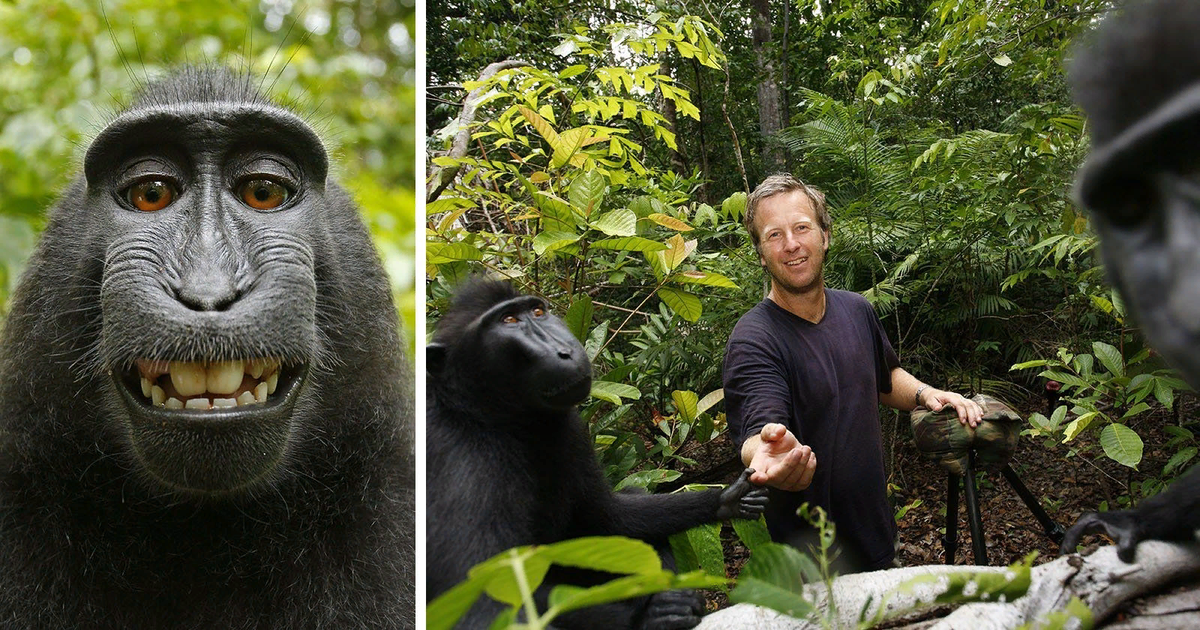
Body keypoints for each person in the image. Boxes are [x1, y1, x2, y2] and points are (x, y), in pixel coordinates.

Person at [722, 174, 983, 573]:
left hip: (877, 533)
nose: (791, 244)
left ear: (825, 235)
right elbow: (759, 430)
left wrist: (926, 393)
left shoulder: (856, 309)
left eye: (802, 228)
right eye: (774, 235)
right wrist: (766, 454)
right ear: (760, 252)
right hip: (812, 561)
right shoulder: (754, 339)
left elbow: (884, 376)